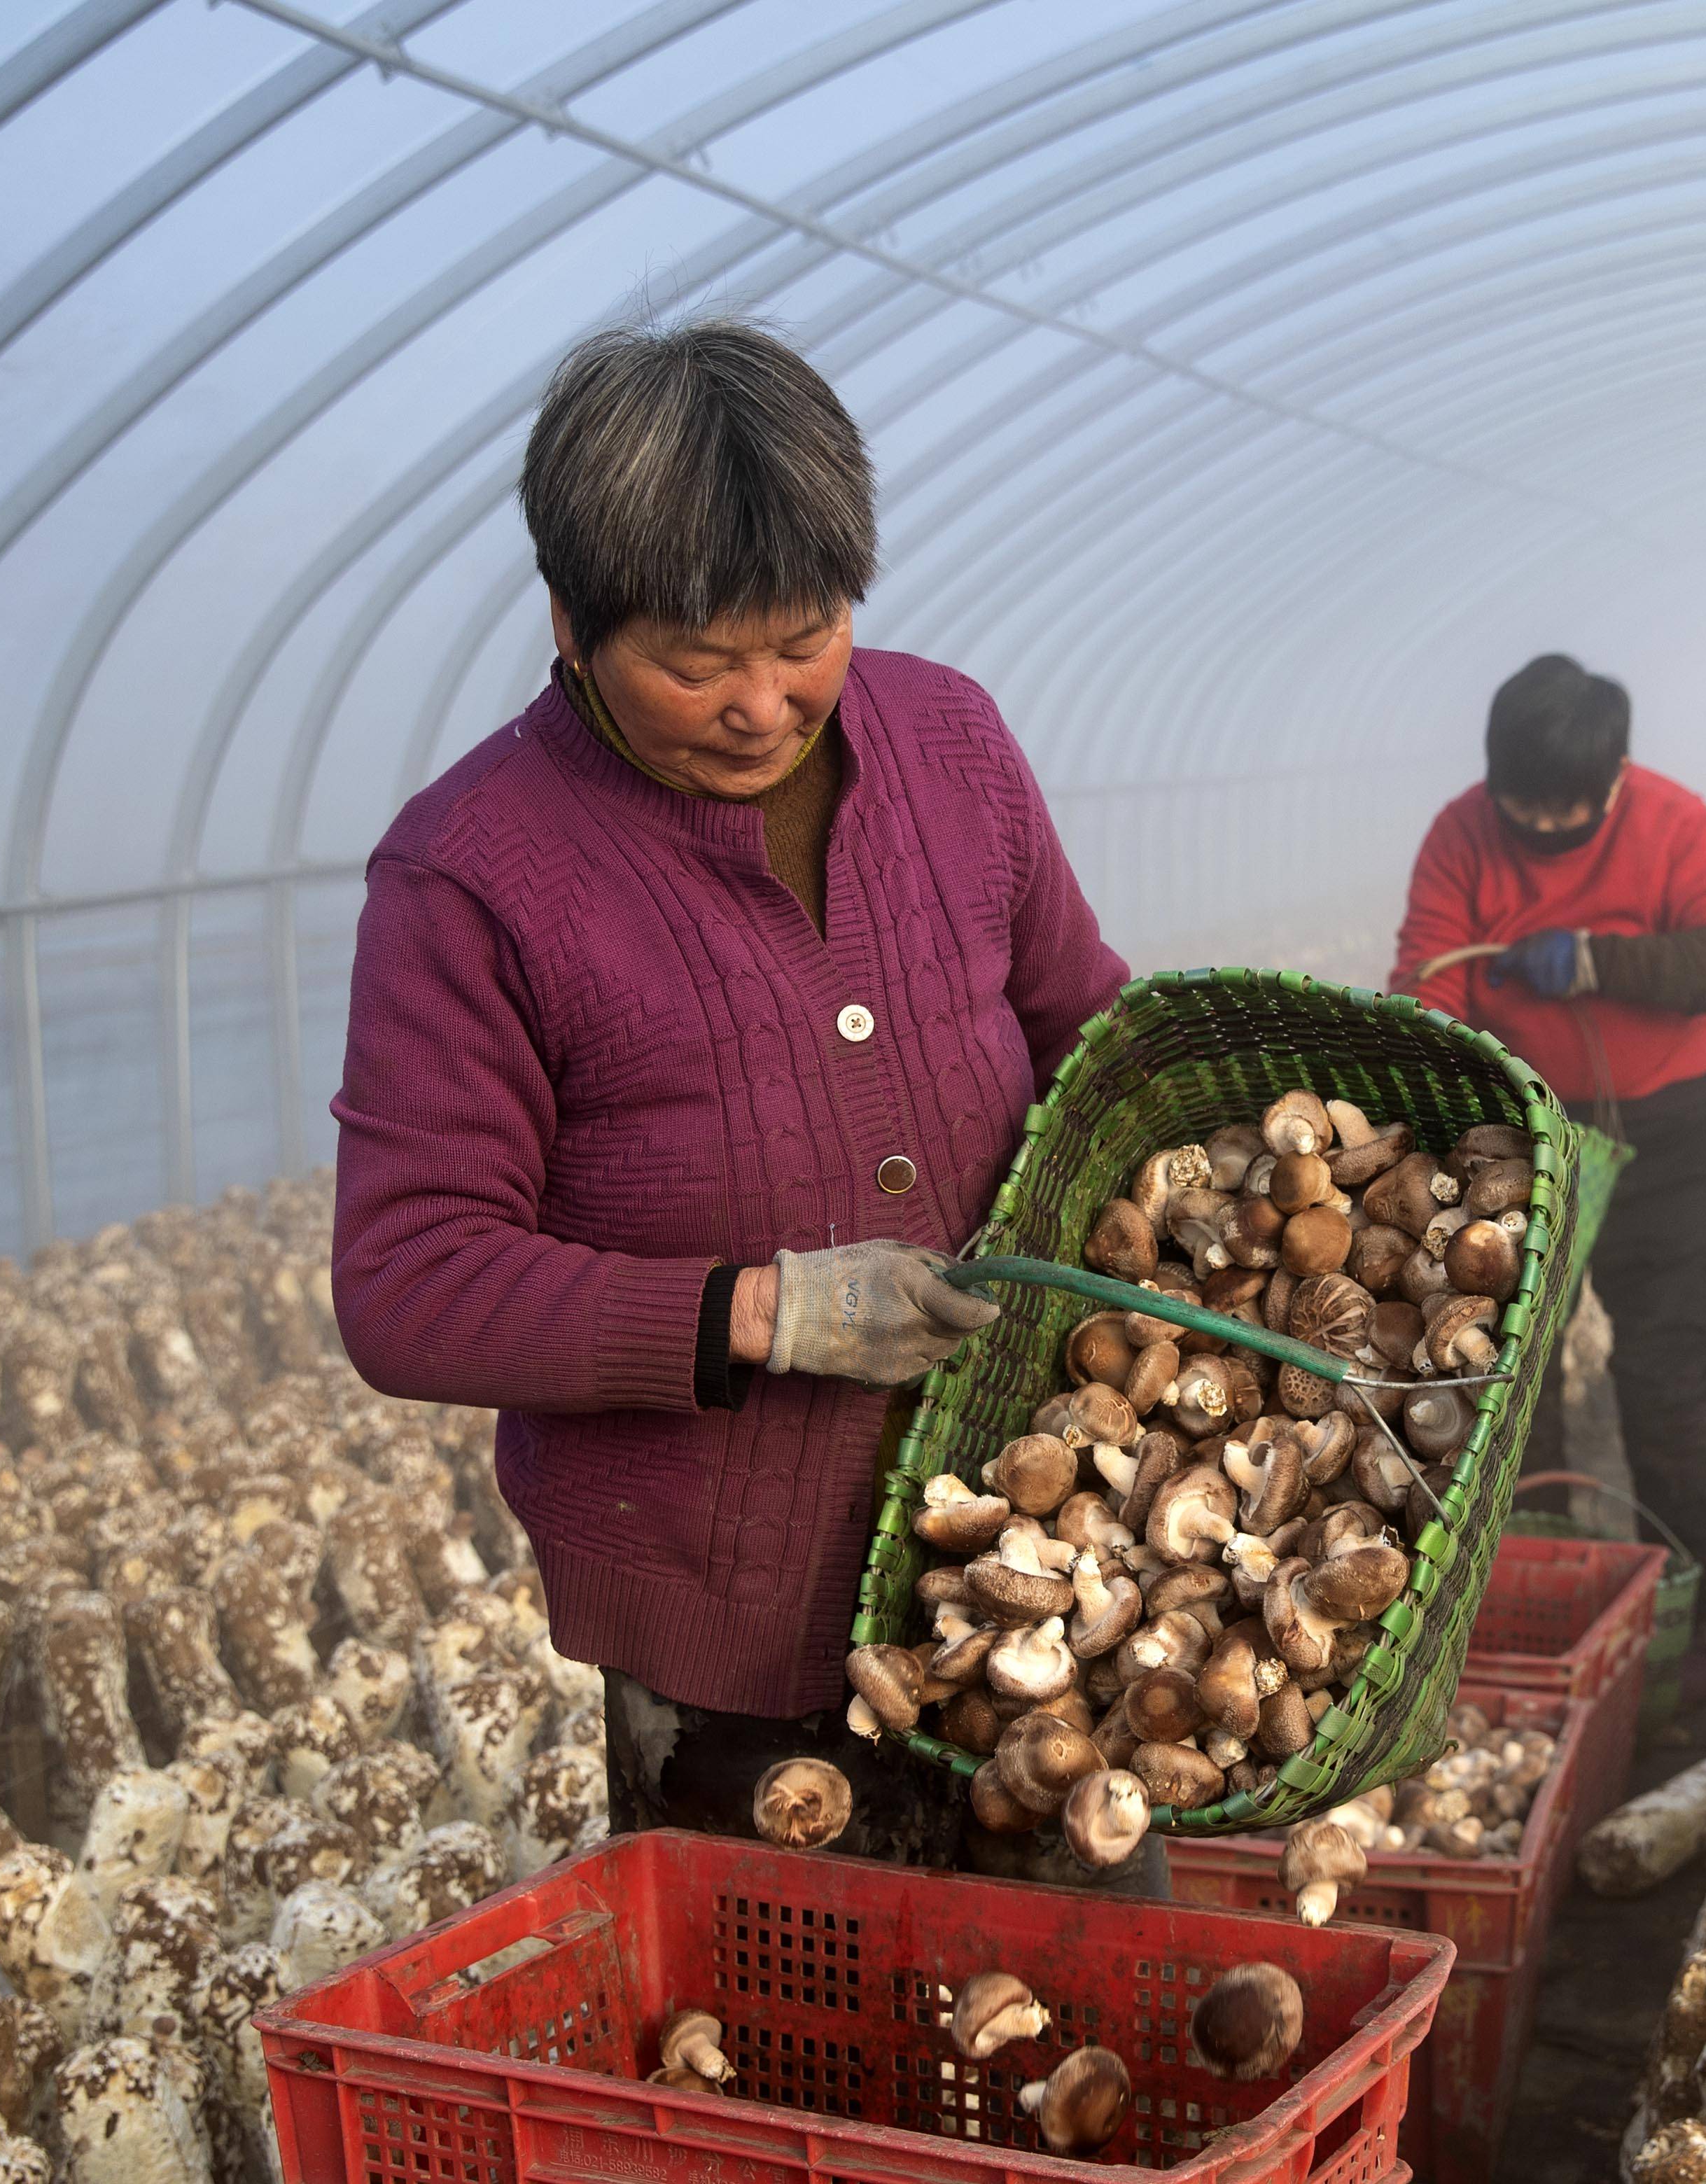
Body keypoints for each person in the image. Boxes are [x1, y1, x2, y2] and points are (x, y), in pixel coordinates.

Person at [330, 321, 1158, 1890]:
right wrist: (766, 1313)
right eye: (697, 663)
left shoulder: (951, 746)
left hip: (1038, 1553)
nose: (764, 705)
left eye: (807, 636)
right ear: (572, 623)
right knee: (808, 2066)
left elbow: (1084, 1025)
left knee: (1087, 1996)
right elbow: (409, 1282)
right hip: (729, 1634)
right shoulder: (472, 878)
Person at [1391, 654, 1706, 1623]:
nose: (1549, 828)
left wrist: (1597, 960)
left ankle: (1689, 1606)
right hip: (1521, 1148)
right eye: (1528, 807)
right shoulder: (1461, 835)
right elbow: (1427, 982)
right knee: (1511, 1374)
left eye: (1574, 809)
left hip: (1661, 1134)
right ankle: (1542, 1589)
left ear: (1615, 776)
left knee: (1664, 1372)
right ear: (1494, 780)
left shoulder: (1671, 822)